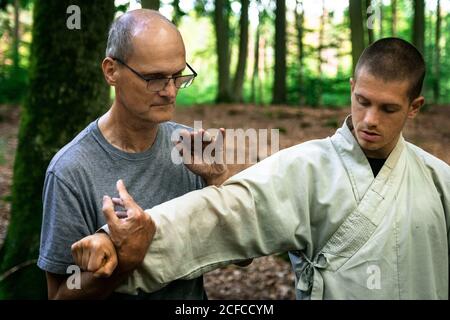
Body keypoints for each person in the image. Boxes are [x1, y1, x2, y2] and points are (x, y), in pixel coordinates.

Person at [72, 38, 450, 299]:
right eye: (362, 101)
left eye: (388, 109)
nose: (369, 119)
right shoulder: (306, 168)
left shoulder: (440, 181)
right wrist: (121, 239)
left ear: (414, 107)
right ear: (352, 87)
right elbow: (227, 210)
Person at [37, 9, 231, 300]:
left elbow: (240, 254)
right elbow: (60, 295)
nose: (170, 92)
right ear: (111, 71)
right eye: (154, 78)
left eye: (177, 76)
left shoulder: (190, 149)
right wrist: (126, 262)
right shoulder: (70, 171)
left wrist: (218, 181)